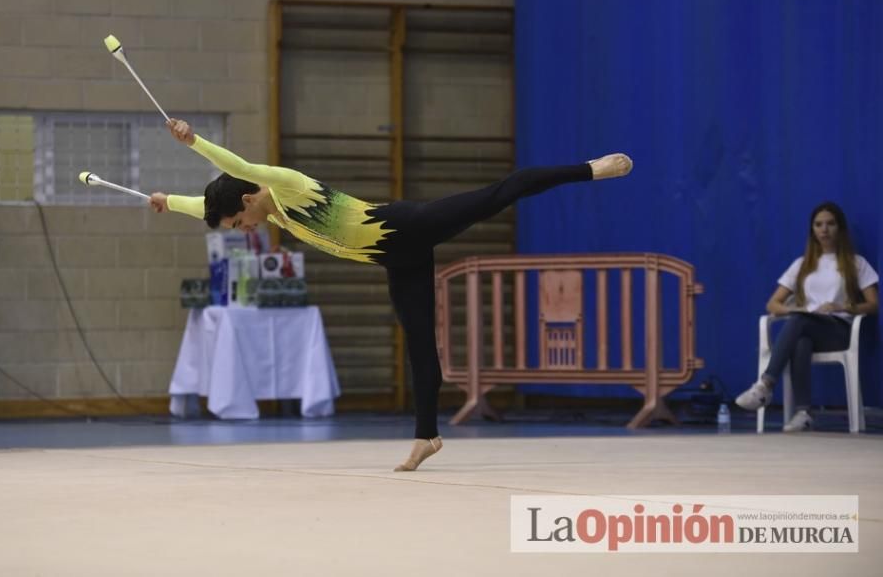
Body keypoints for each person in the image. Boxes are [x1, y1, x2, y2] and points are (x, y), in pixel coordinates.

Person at [150, 118, 633, 470]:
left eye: (238, 221)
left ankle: (589, 169)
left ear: (248, 198)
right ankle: (427, 436)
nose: (244, 230)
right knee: (420, 345)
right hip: (396, 260)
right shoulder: (272, 215)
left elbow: (237, 164)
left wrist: (195, 142)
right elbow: (203, 206)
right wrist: (167, 202)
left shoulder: (288, 187)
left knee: (496, 195)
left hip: (406, 225)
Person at [735, 202, 879, 431]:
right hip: (807, 325)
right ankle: (804, 413)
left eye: (830, 224)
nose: (824, 229)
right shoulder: (802, 265)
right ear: (812, 230)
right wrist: (796, 310)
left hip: (839, 330)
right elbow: (773, 303)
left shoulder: (856, 263)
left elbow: (873, 305)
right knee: (801, 339)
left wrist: (842, 306)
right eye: (818, 224)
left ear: (840, 229)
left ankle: (765, 385)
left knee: (799, 324)